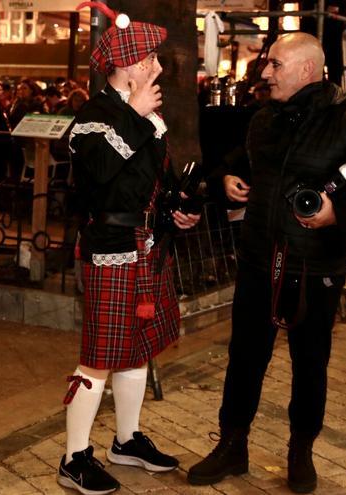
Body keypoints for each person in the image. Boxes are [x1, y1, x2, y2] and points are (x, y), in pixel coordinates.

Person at [188, 32, 346, 493]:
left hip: (315, 270)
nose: (265, 72)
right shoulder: (264, 121)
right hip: (259, 261)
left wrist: (335, 214)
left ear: (306, 69)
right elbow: (236, 161)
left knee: (310, 364)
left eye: (276, 65)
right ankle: (231, 445)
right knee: (243, 359)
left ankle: (301, 452)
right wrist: (227, 178)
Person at [59, 3, 201, 494]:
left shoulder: (149, 118)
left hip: (147, 245)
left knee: (136, 351)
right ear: (132, 64)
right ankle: (74, 457)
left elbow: (152, 181)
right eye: (152, 59)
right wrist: (136, 117)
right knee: (99, 356)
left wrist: (177, 208)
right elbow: (96, 178)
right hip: (110, 248)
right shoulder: (92, 117)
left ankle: (126, 440)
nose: (159, 66)